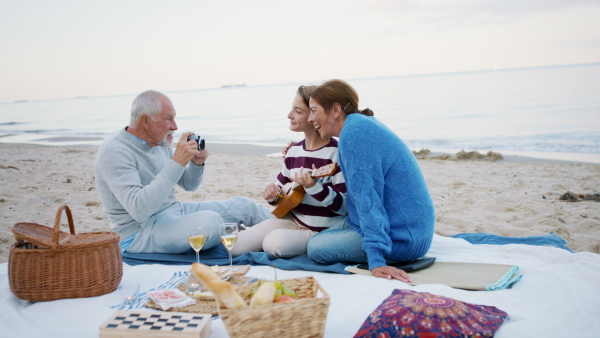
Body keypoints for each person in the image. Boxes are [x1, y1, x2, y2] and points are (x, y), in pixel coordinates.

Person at [94, 90, 272, 254]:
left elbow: (189, 185)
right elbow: (139, 210)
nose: (175, 126)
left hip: (173, 212)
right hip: (140, 232)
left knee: (245, 207)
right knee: (211, 222)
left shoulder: (159, 142)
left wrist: (196, 163)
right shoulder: (115, 151)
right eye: (168, 119)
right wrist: (177, 161)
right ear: (145, 121)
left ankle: (295, 227)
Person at [306, 79, 435, 282]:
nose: (311, 118)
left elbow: (369, 200)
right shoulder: (361, 125)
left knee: (315, 249)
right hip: (413, 230)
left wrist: (377, 261)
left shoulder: (354, 135)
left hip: (403, 240)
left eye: (314, 111)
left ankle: (379, 250)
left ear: (336, 110)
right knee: (320, 236)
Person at [231, 85, 347, 258]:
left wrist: (315, 187)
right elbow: (281, 191)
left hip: (318, 230)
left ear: (314, 115)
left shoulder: (335, 154)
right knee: (234, 247)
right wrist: (271, 191)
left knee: (273, 244)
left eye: (298, 111)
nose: (289, 115)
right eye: (291, 108)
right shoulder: (294, 151)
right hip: (291, 220)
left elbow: (343, 207)